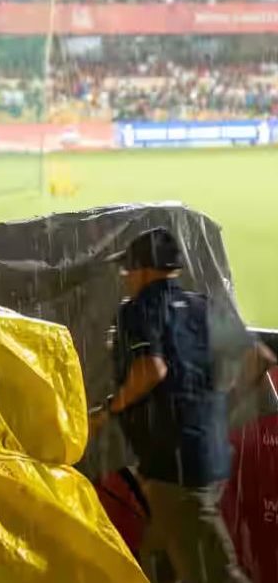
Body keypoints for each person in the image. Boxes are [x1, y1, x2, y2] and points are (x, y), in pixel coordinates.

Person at [90, 227, 276, 583]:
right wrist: (219, 406)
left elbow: (151, 369)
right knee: (161, 559)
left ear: (144, 269)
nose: (126, 278)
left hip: (174, 469)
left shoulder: (138, 311)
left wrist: (110, 410)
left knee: (214, 574)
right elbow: (260, 357)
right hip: (207, 456)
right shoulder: (203, 306)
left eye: (127, 269)